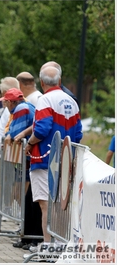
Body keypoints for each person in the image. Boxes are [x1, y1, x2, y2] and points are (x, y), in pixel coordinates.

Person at [24, 66, 82, 257]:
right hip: (66, 160)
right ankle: (58, 246)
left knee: (45, 204)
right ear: (60, 80)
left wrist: (29, 143)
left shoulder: (45, 100)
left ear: (41, 83)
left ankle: (49, 248)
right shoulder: (72, 102)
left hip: (44, 159)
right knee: (59, 204)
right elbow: (79, 133)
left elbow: (41, 129)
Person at [12, 72, 43, 250]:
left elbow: (39, 124)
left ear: (21, 84)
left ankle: (34, 237)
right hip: (32, 155)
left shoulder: (37, 99)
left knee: (34, 199)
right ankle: (28, 234)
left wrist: (26, 137)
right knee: (28, 198)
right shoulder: (33, 98)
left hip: (37, 155)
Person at [0, 77, 20, 214]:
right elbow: (1, 128)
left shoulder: (21, 107)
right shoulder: (7, 109)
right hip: (5, 150)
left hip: (16, 152)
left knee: (15, 181)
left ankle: (11, 207)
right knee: (0, 177)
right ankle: (3, 203)